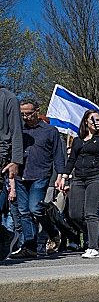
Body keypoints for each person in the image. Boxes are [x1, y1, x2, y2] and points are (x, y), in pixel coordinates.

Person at [57, 110, 99, 258]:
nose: (95, 121)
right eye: (93, 119)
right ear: (86, 121)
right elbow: (72, 160)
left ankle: (93, 247)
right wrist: (63, 176)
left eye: (98, 119)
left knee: (90, 213)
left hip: (97, 177)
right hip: (79, 179)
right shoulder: (78, 140)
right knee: (74, 214)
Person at [14, 99, 65, 258]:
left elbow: (58, 155)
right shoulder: (19, 131)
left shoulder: (50, 131)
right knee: (23, 212)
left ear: (37, 111)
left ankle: (52, 231)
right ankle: (30, 246)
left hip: (40, 174)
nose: (26, 117)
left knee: (35, 208)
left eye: (29, 113)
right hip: (21, 175)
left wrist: (61, 175)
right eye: (22, 114)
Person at [0, 85, 23, 261]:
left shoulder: (9, 99)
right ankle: (6, 234)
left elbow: (16, 131)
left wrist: (15, 160)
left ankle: (7, 236)